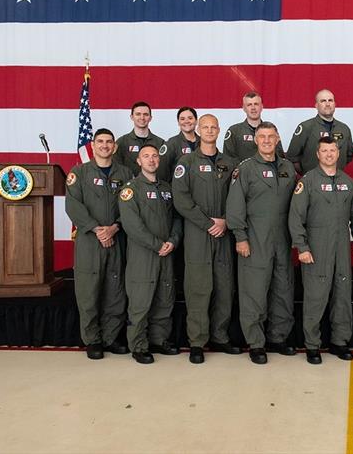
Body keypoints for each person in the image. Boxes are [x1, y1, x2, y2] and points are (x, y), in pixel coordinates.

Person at [288, 137, 353, 364]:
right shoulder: (308, 181)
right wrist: (302, 247)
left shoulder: (347, 181)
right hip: (316, 245)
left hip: (341, 245)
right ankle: (312, 345)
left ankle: (340, 342)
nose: (329, 154)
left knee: (342, 294)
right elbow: (295, 217)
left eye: (333, 150)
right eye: (325, 150)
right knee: (315, 296)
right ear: (318, 154)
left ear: (338, 153)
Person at [226, 122, 297, 365]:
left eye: (271, 136)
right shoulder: (245, 169)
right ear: (256, 140)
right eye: (262, 136)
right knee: (254, 291)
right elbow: (235, 205)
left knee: (283, 289)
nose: (267, 140)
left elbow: (296, 205)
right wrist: (240, 237)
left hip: (283, 239)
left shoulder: (287, 167)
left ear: (278, 139)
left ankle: (278, 337)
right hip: (255, 239)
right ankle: (256, 343)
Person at [172, 114, 239, 364]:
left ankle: (220, 337)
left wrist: (226, 221)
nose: (209, 130)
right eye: (205, 127)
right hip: (198, 234)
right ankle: (197, 342)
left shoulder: (230, 163)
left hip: (223, 234)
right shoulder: (186, 162)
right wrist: (208, 223)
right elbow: (180, 198)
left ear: (219, 130)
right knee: (198, 288)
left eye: (213, 127)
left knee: (224, 287)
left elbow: (238, 197)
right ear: (198, 130)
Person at [65, 129, 134, 360]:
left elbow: (132, 207)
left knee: (115, 292)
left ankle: (110, 338)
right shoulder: (80, 172)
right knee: (89, 291)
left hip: (117, 238)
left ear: (114, 147)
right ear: (93, 146)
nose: (105, 146)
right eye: (100, 142)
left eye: (109, 142)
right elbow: (73, 206)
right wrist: (97, 229)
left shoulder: (125, 173)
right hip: (89, 241)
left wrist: (114, 227)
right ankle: (93, 340)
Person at [118, 145, 183, 364]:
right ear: (138, 161)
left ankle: (159, 340)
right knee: (141, 300)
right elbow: (132, 225)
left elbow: (176, 218)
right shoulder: (131, 189)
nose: (152, 159)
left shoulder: (167, 188)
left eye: (155, 156)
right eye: (146, 156)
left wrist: (173, 241)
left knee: (164, 298)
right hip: (143, 254)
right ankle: (138, 345)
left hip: (167, 251)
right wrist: (157, 245)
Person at [286, 89, 353, 175]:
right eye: (323, 101)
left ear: (335, 104)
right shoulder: (306, 127)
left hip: (337, 181)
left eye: (330, 100)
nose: (327, 104)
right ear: (316, 105)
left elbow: (348, 156)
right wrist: (308, 175)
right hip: (312, 183)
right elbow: (292, 158)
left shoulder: (344, 129)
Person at [223, 92, 285, 166]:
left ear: (261, 106)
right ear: (244, 108)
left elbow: (280, 156)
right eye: (249, 105)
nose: (253, 108)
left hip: (268, 175)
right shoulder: (235, 131)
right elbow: (228, 160)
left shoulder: (271, 130)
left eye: (256, 104)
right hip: (243, 175)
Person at [114, 102, 165, 173]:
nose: (142, 118)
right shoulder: (122, 142)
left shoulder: (160, 143)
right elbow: (116, 167)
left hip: (153, 183)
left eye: (145, 114)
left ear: (150, 118)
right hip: (129, 183)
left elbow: (164, 168)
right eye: (138, 114)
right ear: (132, 117)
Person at [157, 106, 199, 182]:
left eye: (190, 118)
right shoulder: (172, 143)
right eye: (182, 119)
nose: (186, 121)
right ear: (178, 123)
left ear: (196, 121)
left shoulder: (204, 142)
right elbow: (162, 171)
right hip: (179, 190)